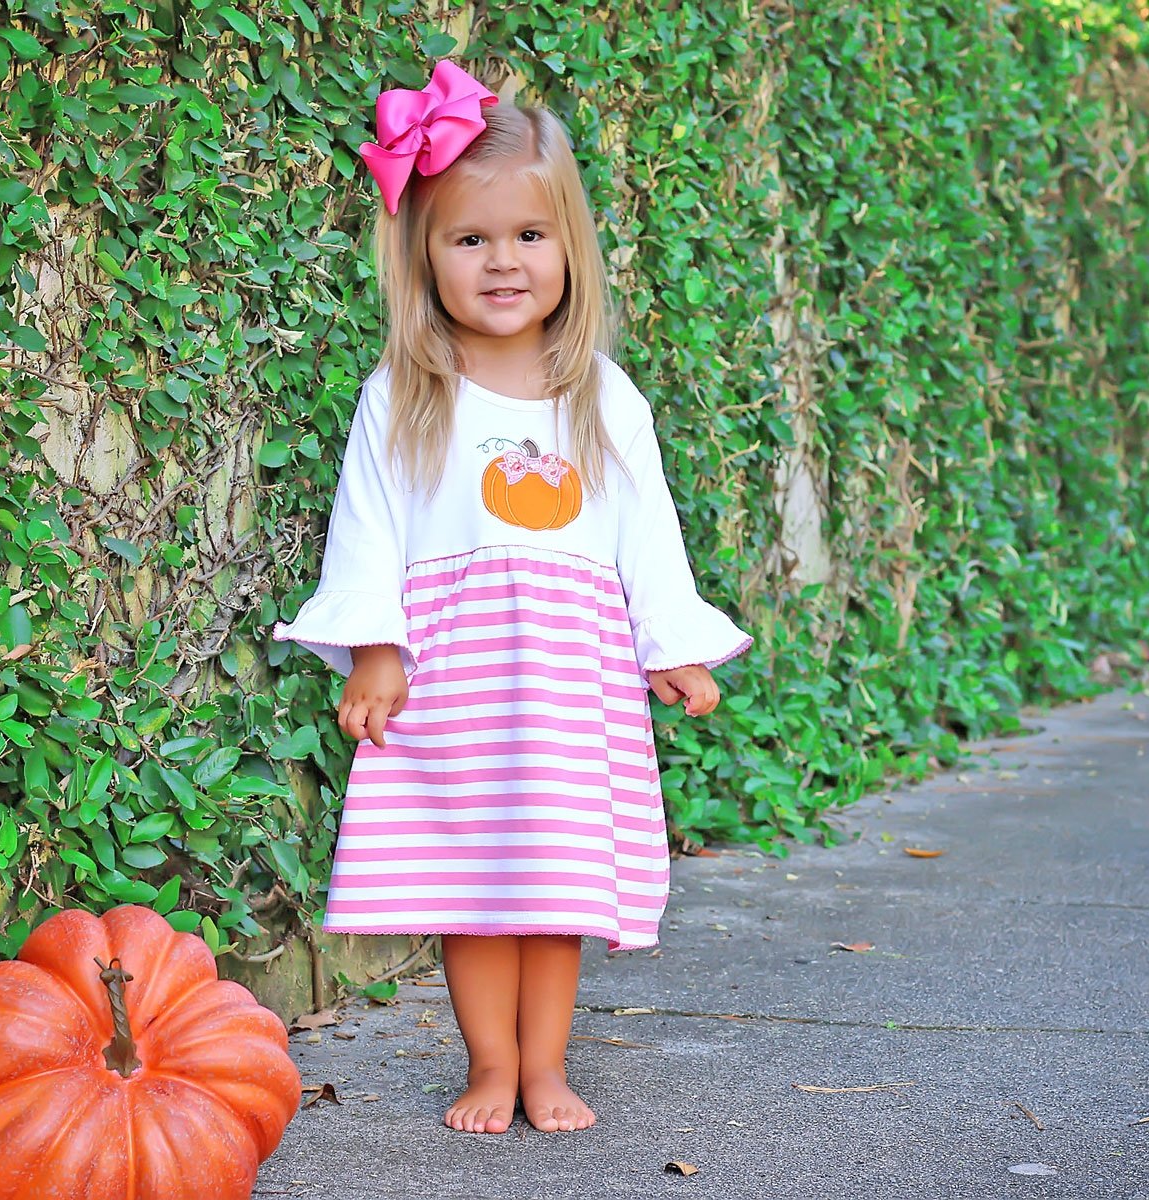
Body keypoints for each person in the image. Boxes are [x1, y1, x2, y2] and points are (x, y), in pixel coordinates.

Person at [273, 60, 751, 1136]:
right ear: (424, 256)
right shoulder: (406, 395)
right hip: (459, 683)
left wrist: (668, 643)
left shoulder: (601, 398)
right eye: (470, 239)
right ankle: (491, 1065)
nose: (502, 261)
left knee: (554, 889)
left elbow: (647, 537)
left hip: (570, 690)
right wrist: (375, 650)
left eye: (529, 236)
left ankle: (548, 1068)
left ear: (569, 248)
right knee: (475, 890)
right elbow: (370, 529)